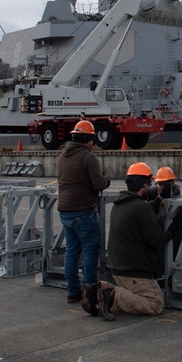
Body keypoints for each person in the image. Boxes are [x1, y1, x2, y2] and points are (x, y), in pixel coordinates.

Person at [97, 162, 173, 320]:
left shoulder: (120, 204)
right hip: (133, 271)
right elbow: (156, 239)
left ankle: (97, 289)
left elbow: (138, 213)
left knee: (132, 292)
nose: (150, 188)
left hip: (116, 268)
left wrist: (156, 202)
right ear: (144, 185)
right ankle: (112, 295)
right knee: (156, 303)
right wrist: (171, 233)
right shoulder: (141, 208)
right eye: (150, 184)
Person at [55, 120, 110, 312]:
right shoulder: (88, 157)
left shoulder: (62, 157)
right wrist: (106, 181)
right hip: (83, 210)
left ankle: (72, 292)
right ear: (88, 140)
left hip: (65, 209)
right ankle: (89, 293)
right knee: (90, 250)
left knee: (72, 250)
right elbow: (98, 184)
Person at [146, 166, 182, 272]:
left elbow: (159, 222)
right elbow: (146, 195)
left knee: (180, 258)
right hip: (171, 228)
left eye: (162, 184)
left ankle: (178, 280)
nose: (159, 187)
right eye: (159, 184)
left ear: (170, 184)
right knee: (162, 254)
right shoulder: (157, 192)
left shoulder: (176, 201)